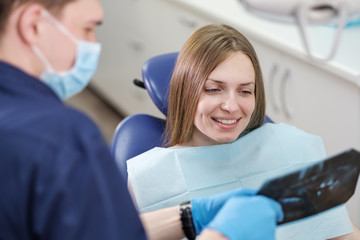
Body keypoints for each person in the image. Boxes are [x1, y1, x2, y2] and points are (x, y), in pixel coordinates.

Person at [0, 0, 285, 240]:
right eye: (87, 28)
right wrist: (222, 235)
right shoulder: (61, 138)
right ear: (33, 24)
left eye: (246, 90)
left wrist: (188, 216)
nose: (93, 45)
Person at [127, 24, 360, 239]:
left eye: (245, 91)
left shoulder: (294, 147)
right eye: (213, 89)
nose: (231, 106)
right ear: (186, 91)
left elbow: (343, 233)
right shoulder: (149, 179)